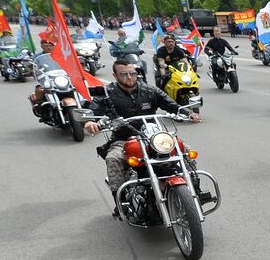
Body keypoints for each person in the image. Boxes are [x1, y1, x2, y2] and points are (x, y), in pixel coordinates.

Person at [84, 60, 199, 213]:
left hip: (153, 137)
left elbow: (171, 105)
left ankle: (195, 189)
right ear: (115, 75)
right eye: (123, 74)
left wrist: (189, 113)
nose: (129, 77)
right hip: (123, 139)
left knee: (185, 150)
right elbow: (94, 110)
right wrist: (91, 122)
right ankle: (121, 202)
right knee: (114, 159)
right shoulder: (108, 93)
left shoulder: (150, 90)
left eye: (132, 73)